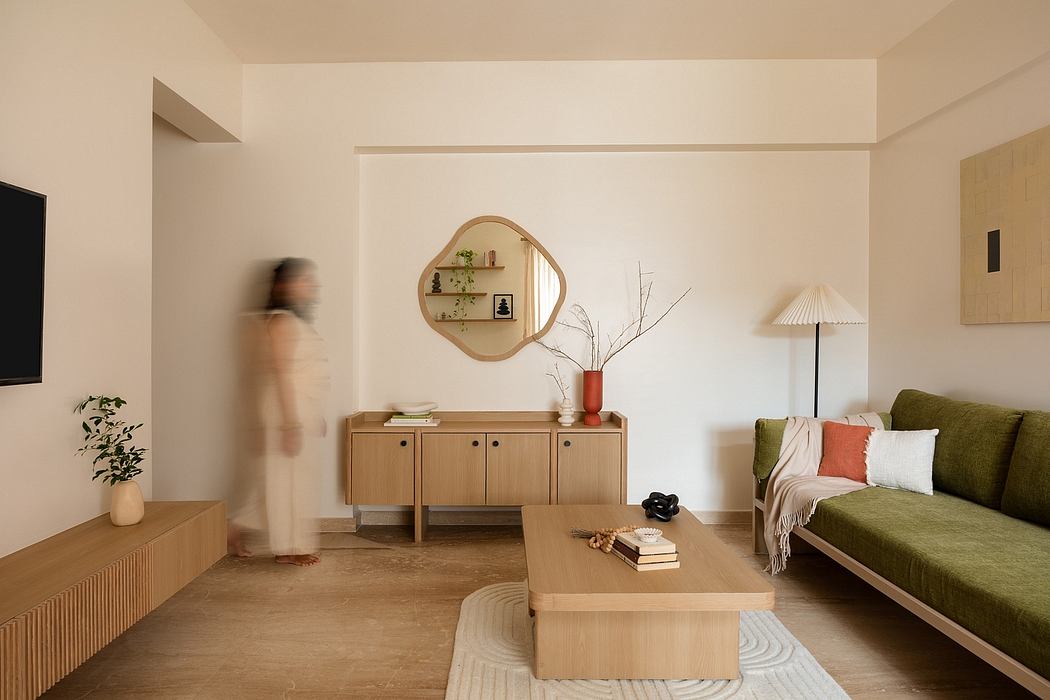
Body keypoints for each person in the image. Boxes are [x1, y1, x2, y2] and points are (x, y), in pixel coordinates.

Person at [229, 258, 329, 566]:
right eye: (304, 280)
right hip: (284, 411)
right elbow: (281, 373)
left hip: (298, 409)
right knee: (285, 480)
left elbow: (307, 371)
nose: (311, 285)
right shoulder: (281, 322)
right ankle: (288, 548)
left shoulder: (293, 321)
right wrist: (290, 424)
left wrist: (314, 415)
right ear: (283, 286)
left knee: (286, 478)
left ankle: (234, 529)